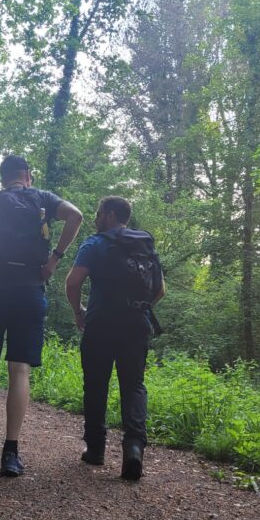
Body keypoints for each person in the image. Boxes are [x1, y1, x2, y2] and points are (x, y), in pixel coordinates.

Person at [0, 155, 83, 476]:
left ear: (3, 179)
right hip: (29, 288)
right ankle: (11, 452)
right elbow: (76, 216)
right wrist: (54, 260)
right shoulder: (43, 198)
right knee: (19, 368)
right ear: (28, 175)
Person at [64, 196, 164, 481]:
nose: (95, 218)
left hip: (100, 323)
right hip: (137, 324)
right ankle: (133, 448)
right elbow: (160, 291)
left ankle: (95, 449)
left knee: (96, 385)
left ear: (109, 215)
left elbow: (73, 282)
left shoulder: (95, 244)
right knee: (133, 386)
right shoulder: (144, 246)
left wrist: (78, 311)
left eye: (98, 213)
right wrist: (139, 309)